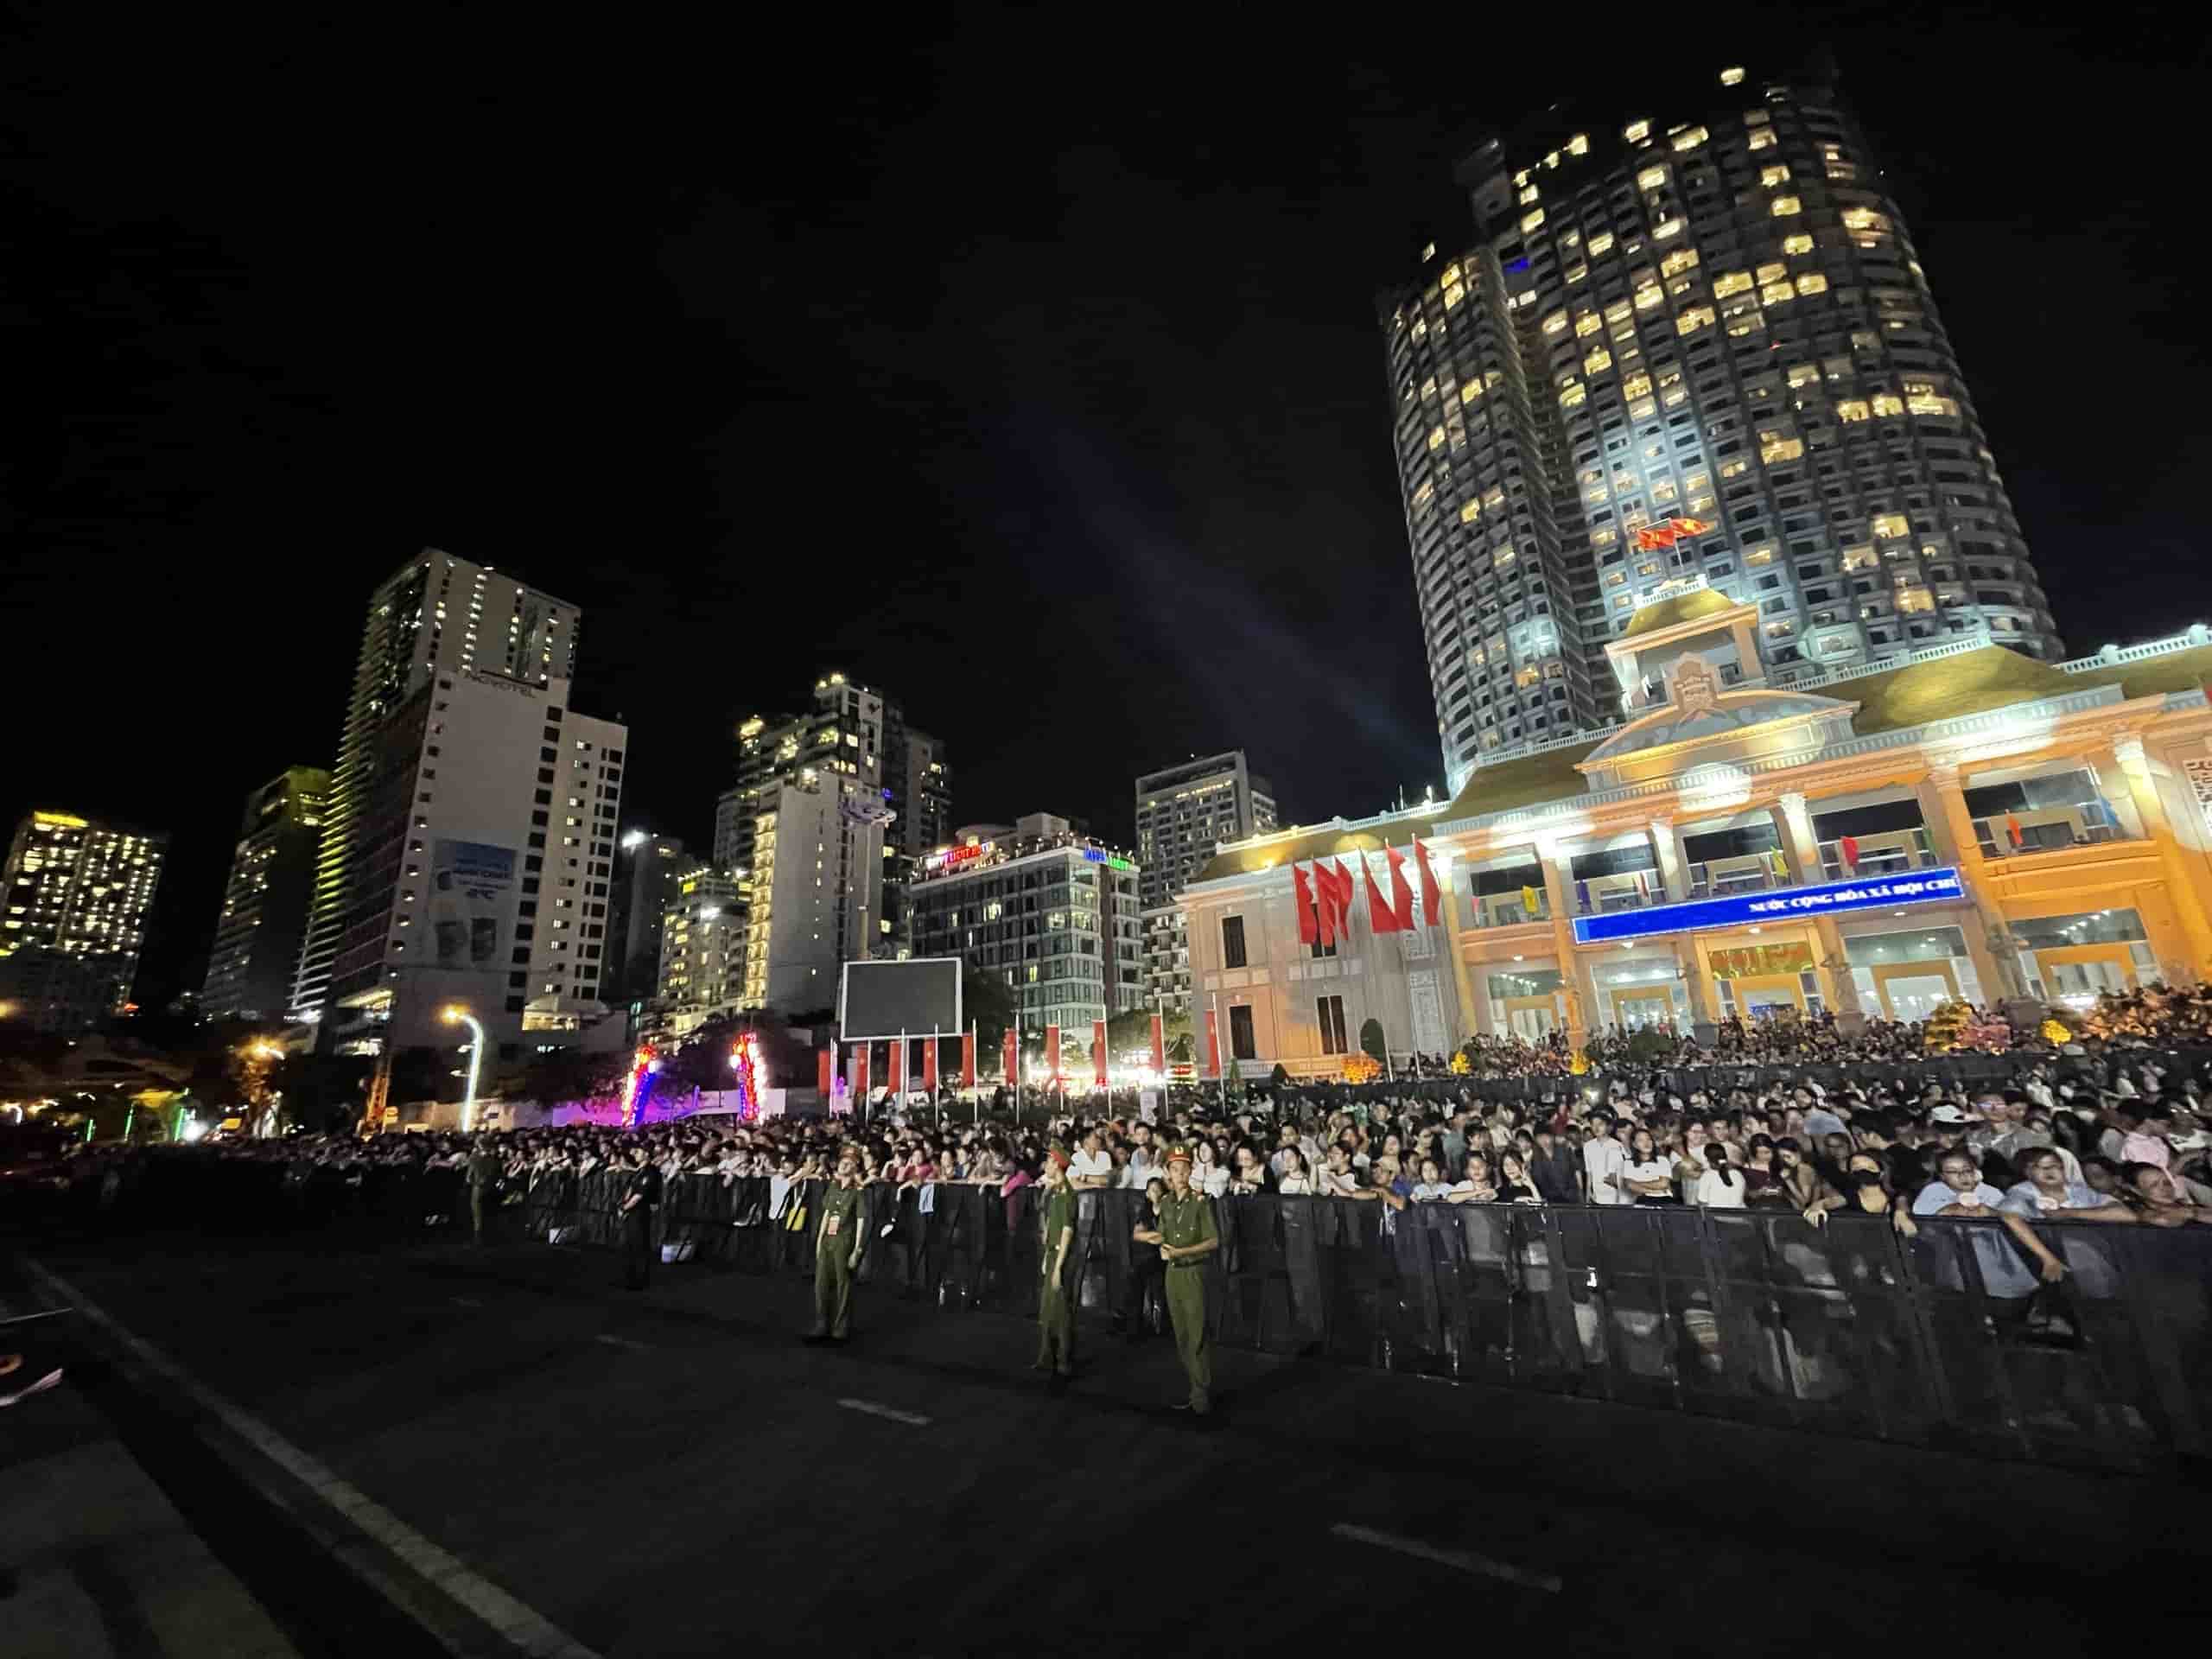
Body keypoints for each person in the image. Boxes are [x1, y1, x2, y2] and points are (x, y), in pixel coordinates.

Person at [1134, 1147, 1218, 1414]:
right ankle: (1195, 1389)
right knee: (1181, 1333)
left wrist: (1183, 1252)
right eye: (1175, 1170)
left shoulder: (1201, 1202)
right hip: (1173, 1272)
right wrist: (1150, 1238)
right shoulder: (1167, 1203)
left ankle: (1201, 1393)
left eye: (1184, 1170)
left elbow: (1213, 1240)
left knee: (1197, 1332)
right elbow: (1163, 1235)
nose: (1180, 1175)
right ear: (1168, 1173)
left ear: (1191, 1172)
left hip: (1194, 1271)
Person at [805, 1147, 868, 1344]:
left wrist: (857, 1250)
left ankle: (840, 1329)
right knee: (821, 1284)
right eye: (843, 1161)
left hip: (844, 1240)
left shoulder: (858, 1191)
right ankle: (821, 1324)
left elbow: (860, 1220)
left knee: (843, 1285)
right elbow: (826, 1214)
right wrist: (819, 1240)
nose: (844, 1164)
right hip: (827, 1240)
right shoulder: (833, 1187)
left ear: (855, 1167)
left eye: (850, 1163)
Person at [1035, 1148, 1077, 1384]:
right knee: (1047, 1310)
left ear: (1058, 1166)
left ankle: (1063, 1360)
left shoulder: (1066, 1195)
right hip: (1052, 1255)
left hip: (1061, 1257)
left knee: (1060, 1312)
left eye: (1050, 1161)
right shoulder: (1054, 1193)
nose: (1046, 1165)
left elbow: (1067, 1232)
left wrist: (1058, 1267)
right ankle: (1047, 1357)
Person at [617, 1142, 660, 1290]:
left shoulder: (651, 1172)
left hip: (641, 1212)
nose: (635, 1154)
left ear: (646, 1154)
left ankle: (641, 1280)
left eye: (639, 1152)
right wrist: (623, 1203)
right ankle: (629, 1277)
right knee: (628, 1245)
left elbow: (639, 1195)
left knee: (640, 1246)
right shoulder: (639, 1171)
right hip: (632, 1211)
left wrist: (624, 1207)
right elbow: (631, 1189)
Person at [467, 1136, 499, 1245]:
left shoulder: (475, 1157)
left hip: (478, 1187)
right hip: (488, 1187)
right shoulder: (493, 1158)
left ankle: (479, 1237)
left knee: (477, 1213)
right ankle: (487, 1236)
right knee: (486, 1212)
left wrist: (474, 1182)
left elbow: (469, 1176)